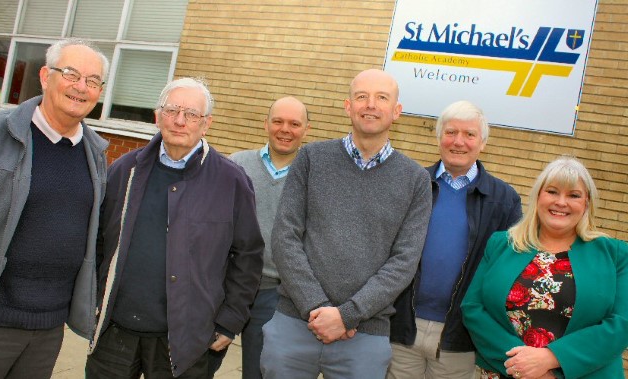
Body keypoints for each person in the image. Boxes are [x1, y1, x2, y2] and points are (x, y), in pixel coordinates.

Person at [85, 77, 264, 378]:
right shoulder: (125, 170)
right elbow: (98, 239)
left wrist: (230, 320)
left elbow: (247, 256)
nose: (180, 121)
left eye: (192, 114)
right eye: (172, 110)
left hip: (185, 341)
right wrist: (92, 301)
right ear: (157, 116)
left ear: (206, 124)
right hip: (114, 333)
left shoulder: (231, 181)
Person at [260, 68, 433, 378]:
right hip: (295, 324)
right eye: (361, 96)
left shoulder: (416, 180)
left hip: (365, 335)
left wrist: (347, 316)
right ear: (348, 106)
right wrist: (317, 308)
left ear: (396, 111)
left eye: (382, 98)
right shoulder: (312, 158)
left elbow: (404, 262)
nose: (370, 104)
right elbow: (285, 237)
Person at [0, 38, 109, 379]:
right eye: (70, 73)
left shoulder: (94, 154)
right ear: (45, 76)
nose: (80, 87)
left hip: (49, 328)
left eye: (93, 80)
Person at [388, 100, 522, 378]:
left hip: (460, 338)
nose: (458, 141)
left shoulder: (505, 200)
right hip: (401, 329)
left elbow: (509, 272)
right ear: (439, 139)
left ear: (482, 142)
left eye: (469, 134)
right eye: (450, 132)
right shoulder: (412, 183)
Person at [461, 156, 628, 379]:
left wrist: (552, 359)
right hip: (506, 370)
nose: (561, 202)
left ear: (587, 203)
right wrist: (525, 367)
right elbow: (473, 308)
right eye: (552, 191)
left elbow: (621, 324)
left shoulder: (615, 254)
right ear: (538, 196)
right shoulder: (501, 244)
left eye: (573, 195)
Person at [230, 96, 311, 379]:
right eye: (278, 121)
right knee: (195, 363)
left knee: (259, 370)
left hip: (274, 293)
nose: (285, 129)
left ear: (306, 129)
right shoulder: (236, 165)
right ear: (266, 124)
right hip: (228, 285)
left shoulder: (314, 176)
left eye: (294, 123)